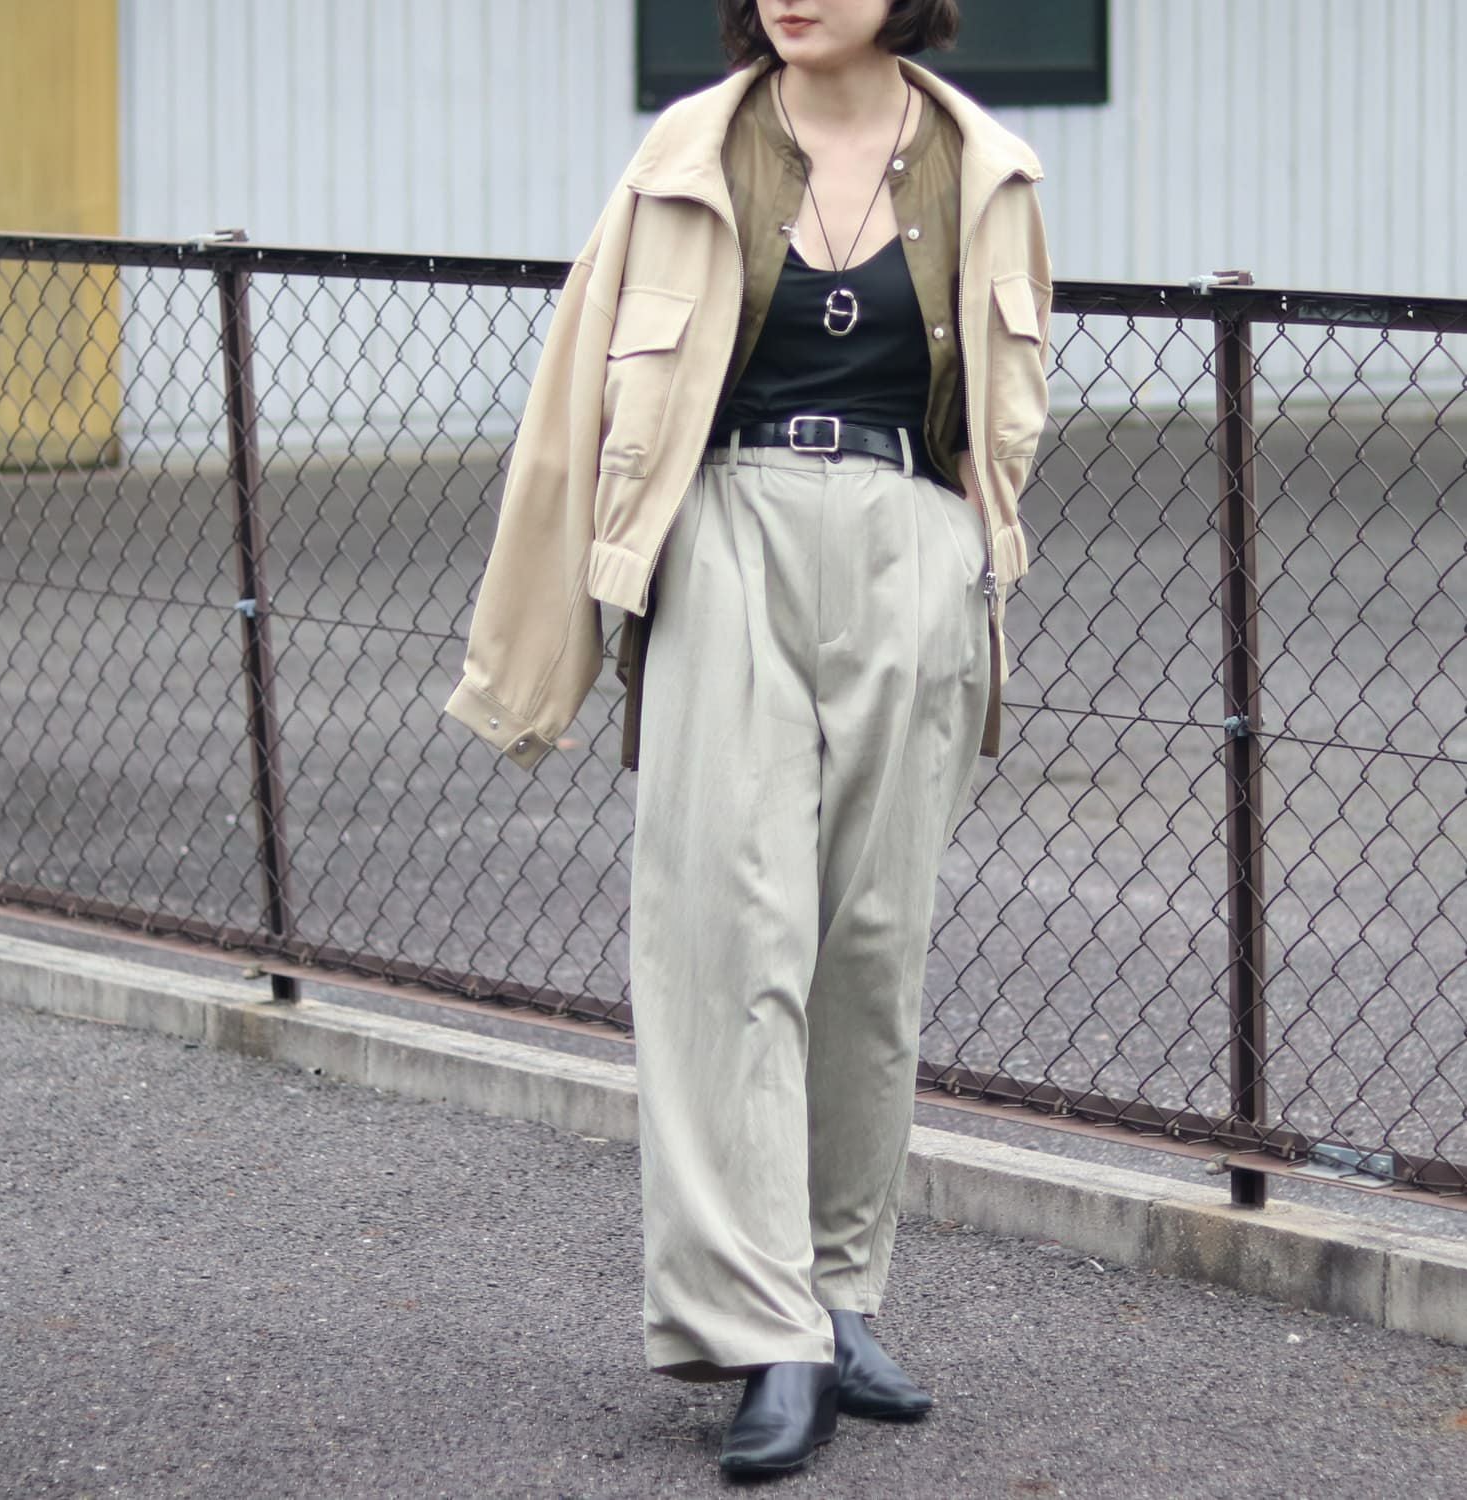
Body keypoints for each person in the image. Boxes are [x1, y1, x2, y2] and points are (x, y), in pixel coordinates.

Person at [443, 0, 1052, 1478]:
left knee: (870, 951)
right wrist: (539, 640)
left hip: (913, 550)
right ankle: (762, 1329)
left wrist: (962, 565)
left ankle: (838, 1296)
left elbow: (1001, 416)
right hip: (724, 542)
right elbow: (575, 403)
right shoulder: (687, 156)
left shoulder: (987, 171)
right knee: (727, 941)